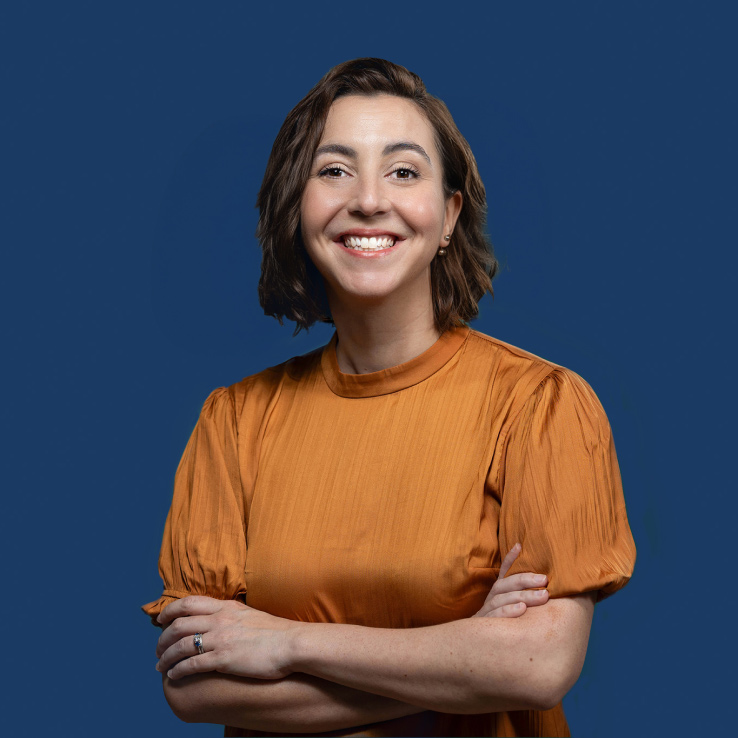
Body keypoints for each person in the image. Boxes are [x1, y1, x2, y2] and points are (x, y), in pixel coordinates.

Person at [143, 58, 636, 737]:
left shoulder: (541, 405)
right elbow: (197, 688)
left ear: (448, 217)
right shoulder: (233, 422)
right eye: (334, 170)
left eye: (403, 171)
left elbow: (538, 663)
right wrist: (465, 658)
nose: (369, 199)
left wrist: (285, 642)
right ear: (297, 209)